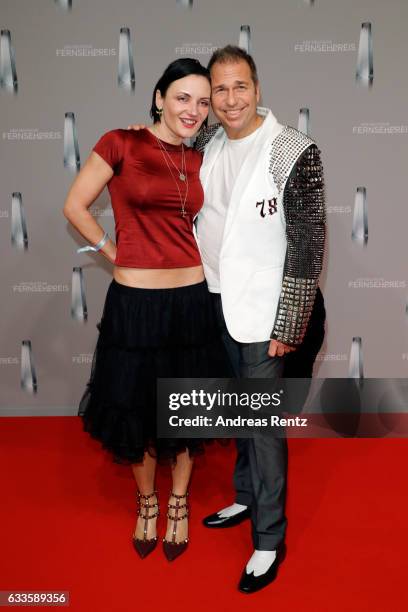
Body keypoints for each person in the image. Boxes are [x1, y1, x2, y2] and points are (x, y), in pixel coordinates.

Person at [129, 46, 326, 591]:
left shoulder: (293, 149)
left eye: (240, 87)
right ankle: (244, 497)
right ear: (211, 98)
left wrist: (289, 323)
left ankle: (268, 539)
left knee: (262, 429)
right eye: (220, 89)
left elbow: (308, 248)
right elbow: (164, 145)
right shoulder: (209, 141)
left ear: (257, 90)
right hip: (210, 302)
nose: (230, 98)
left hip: (265, 316)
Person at [62, 58, 231, 563]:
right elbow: (75, 206)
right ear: (159, 97)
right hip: (136, 304)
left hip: (192, 302)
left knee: (184, 407)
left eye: (204, 102)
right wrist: (115, 254)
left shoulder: (203, 158)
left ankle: (178, 502)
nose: (194, 110)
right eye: (183, 97)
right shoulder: (121, 141)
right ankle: (148, 502)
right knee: (137, 409)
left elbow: (253, 123)